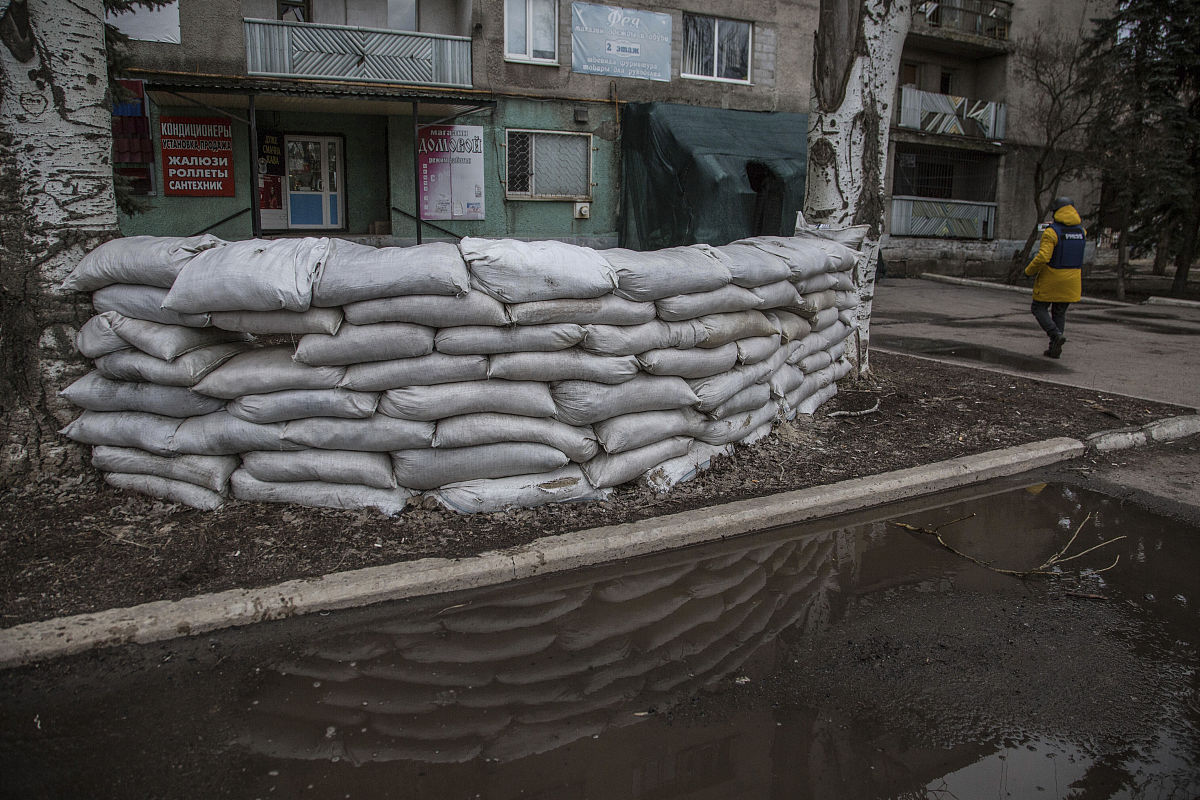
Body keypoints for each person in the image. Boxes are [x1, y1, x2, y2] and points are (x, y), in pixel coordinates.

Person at [1024, 196, 1085, 358]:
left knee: (1038, 307)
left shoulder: (1052, 232)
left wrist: (1029, 271)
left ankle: (1055, 335)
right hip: (1073, 280)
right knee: (1059, 312)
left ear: (1057, 212)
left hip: (1053, 277)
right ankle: (1054, 349)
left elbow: (1043, 257)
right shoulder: (1081, 232)